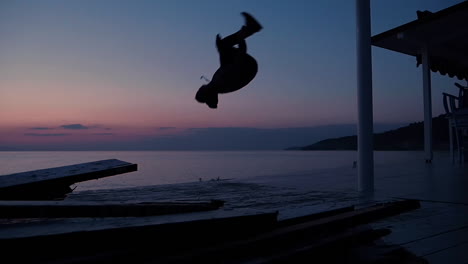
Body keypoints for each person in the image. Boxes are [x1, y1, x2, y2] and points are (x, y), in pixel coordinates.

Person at [195, 12, 263, 109]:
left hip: (242, 66)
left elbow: (224, 64)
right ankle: (251, 28)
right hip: (248, 66)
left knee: (223, 45)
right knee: (223, 46)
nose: (199, 88)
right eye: (199, 91)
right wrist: (240, 38)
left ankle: (251, 28)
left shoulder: (216, 83)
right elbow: (239, 58)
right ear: (205, 91)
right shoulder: (221, 82)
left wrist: (220, 49)